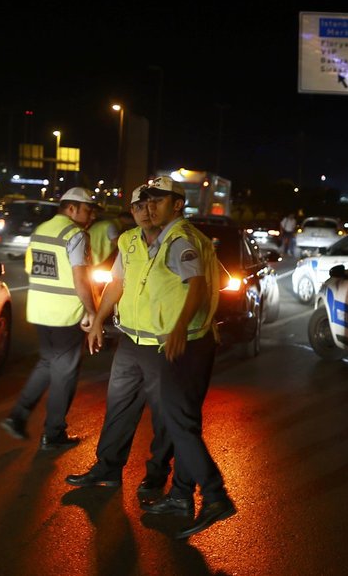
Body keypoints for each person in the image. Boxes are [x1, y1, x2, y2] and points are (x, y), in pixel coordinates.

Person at [135, 175, 236, 540]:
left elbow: (198, 284)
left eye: (158, 200)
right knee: (185, 423)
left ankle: (214, 496)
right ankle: (180, 496)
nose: (150, 206)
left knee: (178, 422)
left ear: (177, 204)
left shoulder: (179, 240)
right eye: (147, 201)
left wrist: (178, 327)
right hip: (195, 340)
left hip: (185, 343)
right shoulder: (179, 237)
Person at [65, 185, 175, 499]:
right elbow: (117, 283)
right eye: (137, 206)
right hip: (129, 339)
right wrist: (98, 321)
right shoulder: (128, 241)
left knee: (163, 413)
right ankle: (107, 469)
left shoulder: (179, 241)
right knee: (119, 407)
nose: (144, 212)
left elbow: (194, 289)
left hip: (161, 343)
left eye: (150, 205)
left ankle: (156, 475)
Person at [1, 187, 99, 450]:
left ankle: (17, 416)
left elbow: (30, 267)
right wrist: (92, 311)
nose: (90, 215)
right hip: (65, 313)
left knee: (47, 363)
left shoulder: (41, 230)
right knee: (64, 374)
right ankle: (53, 434)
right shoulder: (75, 234)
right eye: (88, 209)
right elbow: (80, 277)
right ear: (71, 208)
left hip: (40, 310)